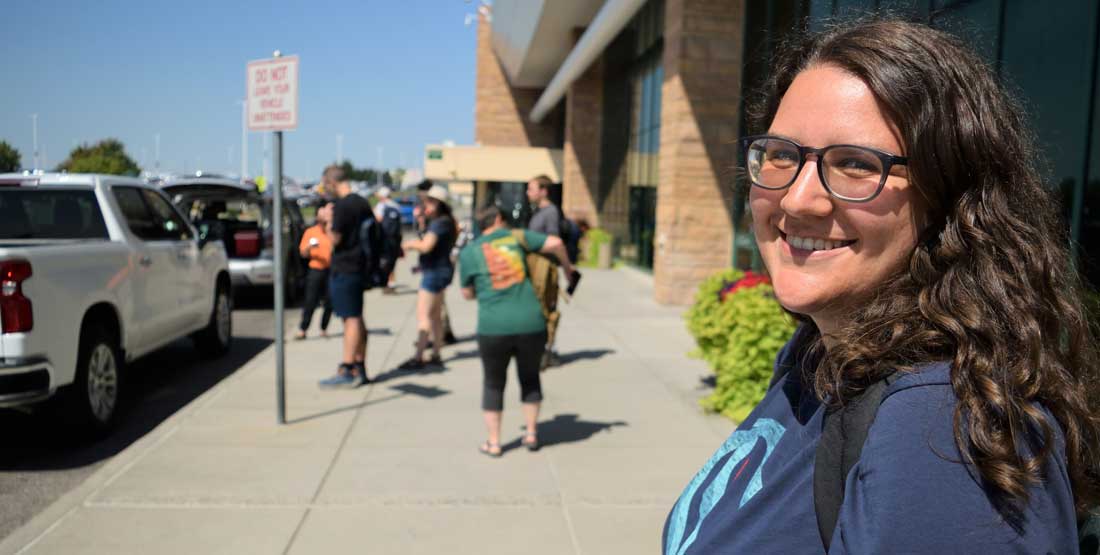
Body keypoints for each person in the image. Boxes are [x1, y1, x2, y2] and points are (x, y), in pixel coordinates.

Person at [663, 20, 1100, 554]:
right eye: (781, 153)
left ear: (947, 199)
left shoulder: (943, 435)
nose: (798, 200)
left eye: (854, 164)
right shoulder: (821, 354)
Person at [459, 204, 576, 457]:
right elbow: (555, 242)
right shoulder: (516, 237)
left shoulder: (469, 252)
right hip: (531, 323)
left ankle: (494, 442)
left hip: (493, 327)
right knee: (530, 377)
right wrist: (568, 269)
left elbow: (467, 294)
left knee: (493, 383)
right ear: (499, 219)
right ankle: (532, 434)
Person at [318, 179, 373, 388]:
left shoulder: (342, 206)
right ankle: (360, 367)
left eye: (326, 184)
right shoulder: (362, 203)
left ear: (333, 182)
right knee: (357, 317)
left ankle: (348, 368)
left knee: (350, 319)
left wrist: (326, 221)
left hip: (345, 268)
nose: (325, 189)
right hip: (360, 267)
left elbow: (335, 239)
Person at [399, 185, 457, 369]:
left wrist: (409, 245)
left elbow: (426, 246)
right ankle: (436, 353)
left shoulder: (440, 223)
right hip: (441, 270)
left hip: (434, 271)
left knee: (424, 315)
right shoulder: (445, 222)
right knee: (435, 316)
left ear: (440, 204)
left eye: (430, 201)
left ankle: (418, 357)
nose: (426, 205)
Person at [526, 175, 567, 369]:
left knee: (544, 309)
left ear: (544, 191)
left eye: (531, 189)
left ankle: (547, 352)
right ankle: (543, 350)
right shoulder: (538, 212)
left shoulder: (550, 212)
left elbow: (554, 242)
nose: (528, 192)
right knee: (537, 308)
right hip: (535, 264)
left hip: (544, 266)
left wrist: (567, 268)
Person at [295, 200, 334, 340]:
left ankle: (324, 328)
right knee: (310, 301)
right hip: (315, 270)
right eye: (321, 214)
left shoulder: (332, 230)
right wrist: (309, 247)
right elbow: (303, 253)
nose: (324, 217)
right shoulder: (311, 232)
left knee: (330, 301)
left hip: (331, 270)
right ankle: (303, 329)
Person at [373, 186, 403, 294]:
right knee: (392, 262)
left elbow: (377, 219)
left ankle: (385, 283)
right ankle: (391, 283)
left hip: (384, 239)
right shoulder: (396, 205)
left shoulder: (382, 206)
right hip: (394, 239)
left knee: (385, 261)